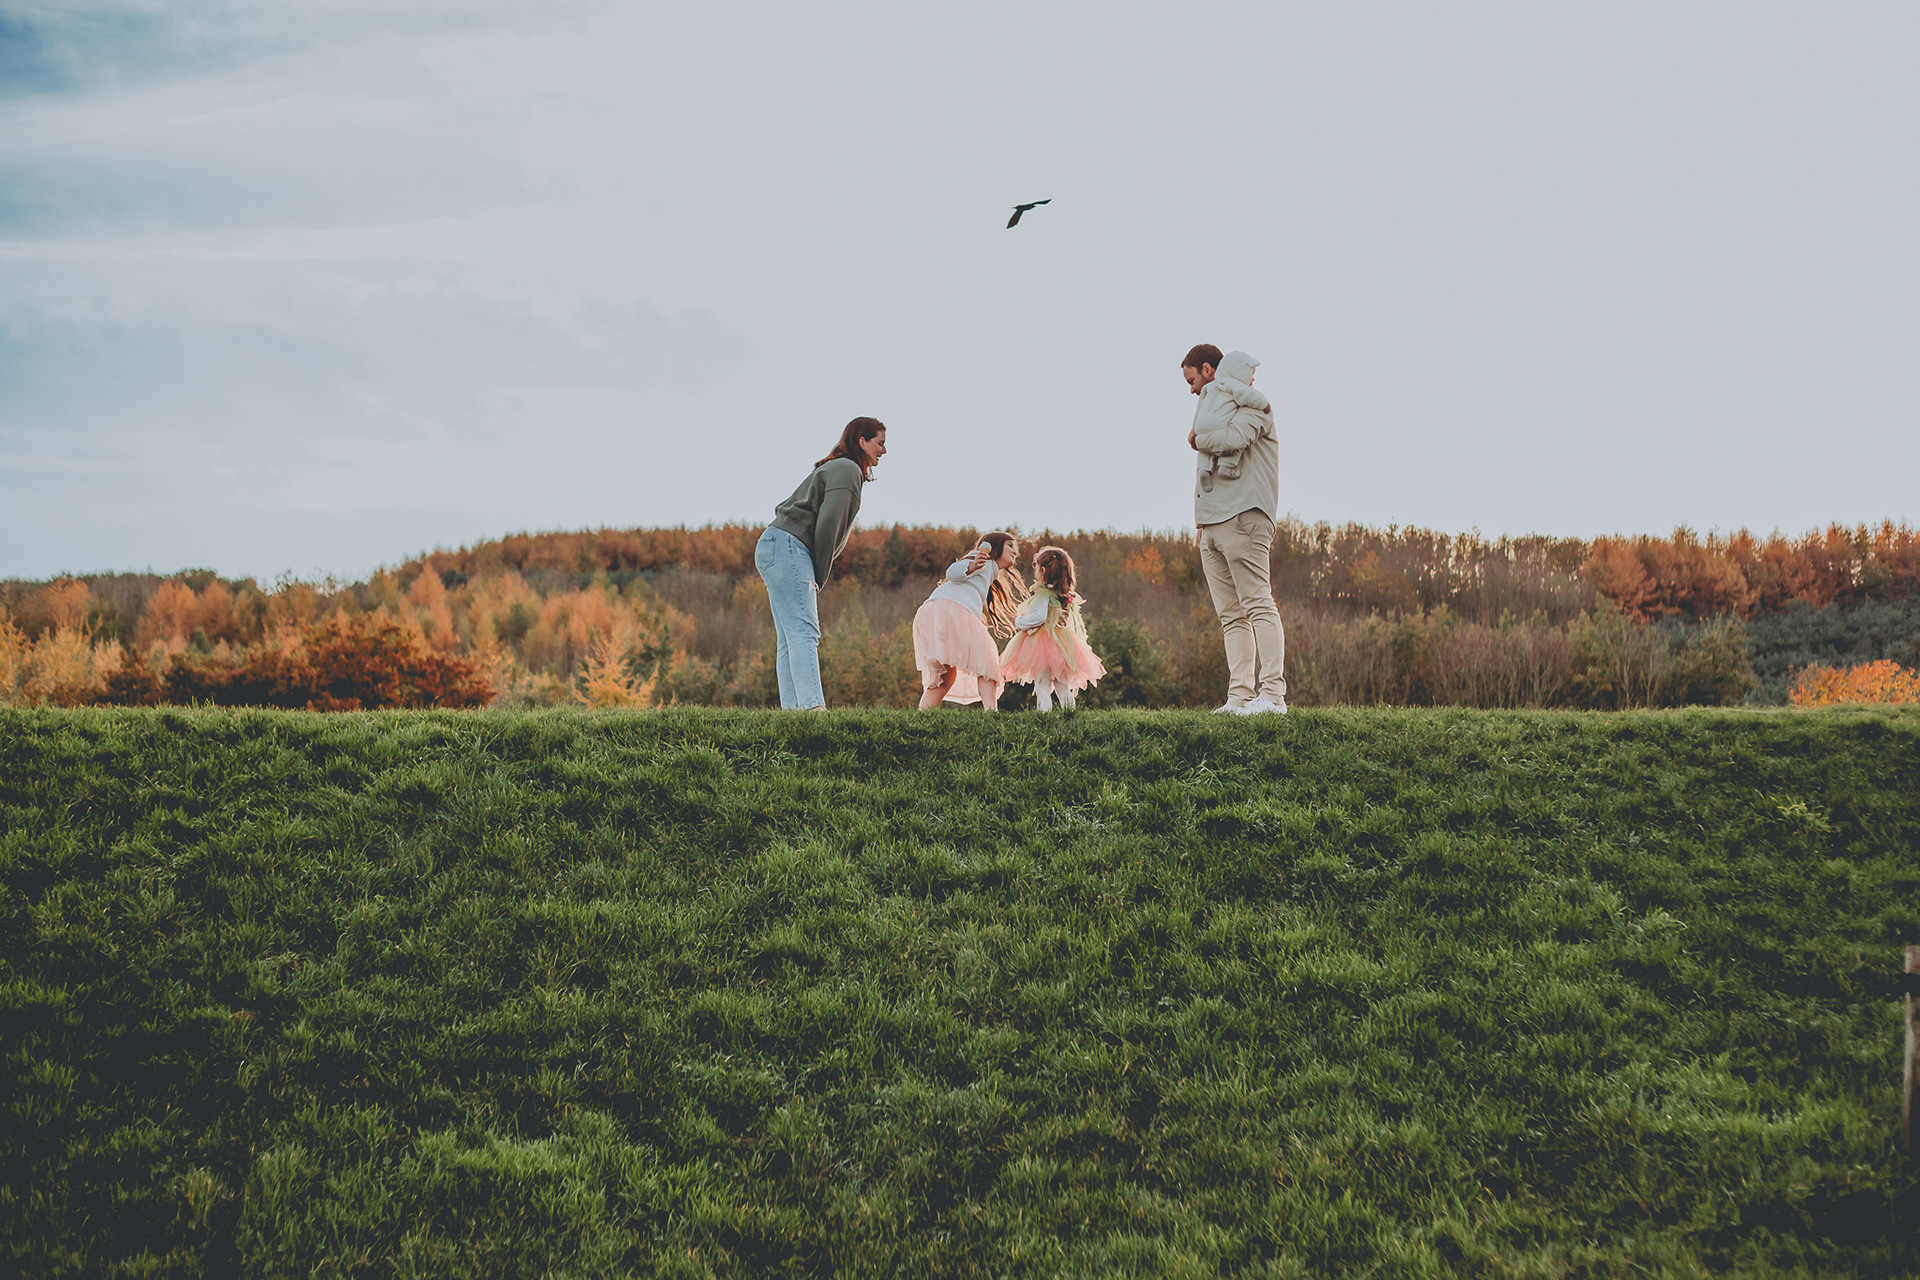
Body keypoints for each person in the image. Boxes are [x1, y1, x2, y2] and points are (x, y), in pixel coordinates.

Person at [1184, 344, 1287, 715]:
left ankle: (1273, 695)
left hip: (1244, 518)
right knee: (1231, 616)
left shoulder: (1255, 408)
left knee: (1258, 604)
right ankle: (1240, 697)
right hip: (1212, 524)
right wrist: (1201, 522)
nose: (1192, 390)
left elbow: (1232, 440)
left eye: (1194, 380)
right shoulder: (1219, 408)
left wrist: (1196, 439)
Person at [755, 417, 887, 709]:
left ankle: (795, 712)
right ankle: (814, 709)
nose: (884, 451)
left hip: (775, 544)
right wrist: (819, 574)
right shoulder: (848, 469)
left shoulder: (838, 468)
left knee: (790, 637)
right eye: (880, 443)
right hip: (790, 546)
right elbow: (828, 525)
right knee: (804, 630)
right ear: (862, 441)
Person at [912, 530, 1025, 710]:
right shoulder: (982, 560)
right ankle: (991, 714)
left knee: (944, 678)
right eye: (1010, 545)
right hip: (950, 609)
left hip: (934, 611)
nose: (1015, 551)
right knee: (988, 662)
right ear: (995, 546)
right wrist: (971, 565)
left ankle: (922, 718)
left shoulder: (988, 570)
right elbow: (952, 573)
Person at [999, 544, 1105, 711]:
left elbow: (1039, 618)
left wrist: (1018, 622)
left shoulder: (1044, 595)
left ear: (1043, 570)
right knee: (1062, 684)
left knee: (1042, 683)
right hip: (1064, 643)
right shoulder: (1065, 596)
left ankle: (1045, 716)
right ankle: (1070, 714)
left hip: (1044, 643)